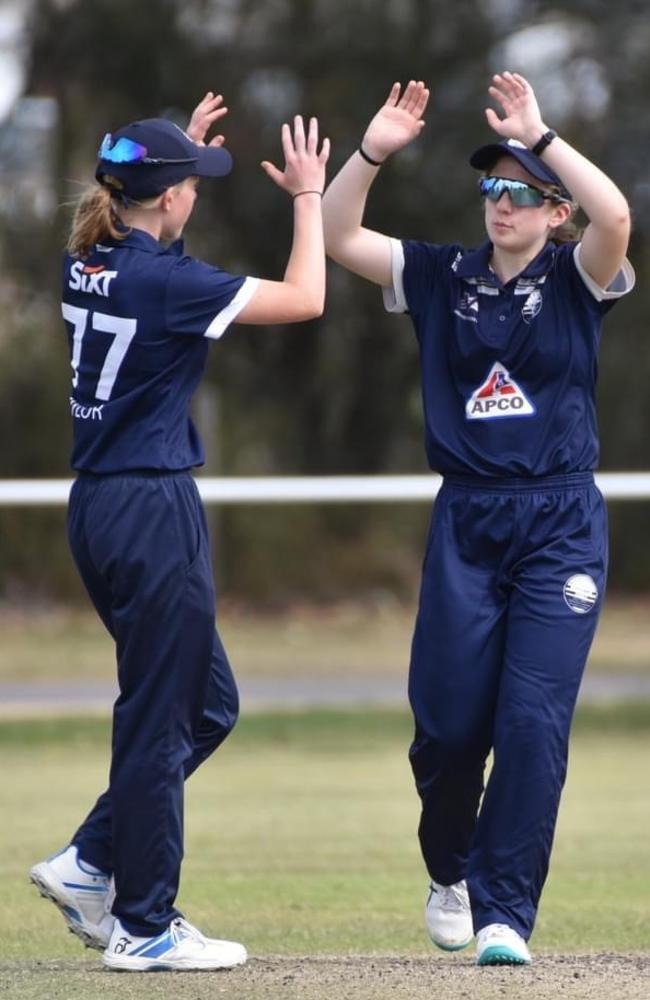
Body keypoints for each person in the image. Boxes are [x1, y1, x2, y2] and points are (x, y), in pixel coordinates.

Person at [322, 72, 633, 966]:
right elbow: (340, 234)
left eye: (520, 193)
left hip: (560, 524)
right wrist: (373, 150)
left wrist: (544, 138)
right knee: (449, 729)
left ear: (552, 211)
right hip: (466, 522)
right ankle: (450, 870)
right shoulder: (440, 274)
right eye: (490, 188)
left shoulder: (580, 276)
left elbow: (616, 217)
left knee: (533, 723)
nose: (499, 205)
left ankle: (506, 913)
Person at [29, 91, 329, 972]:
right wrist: (307, 198)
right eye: (192, 181)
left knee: (207, 707)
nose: (198, 188)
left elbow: (149, 248)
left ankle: (90, 862)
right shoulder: (165, 283)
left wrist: (177, 155)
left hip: (100, 508)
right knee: (162, 720)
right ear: (168, 199)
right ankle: (144, 926)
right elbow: (308, 297)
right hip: (152, 509)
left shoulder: (87, 257)